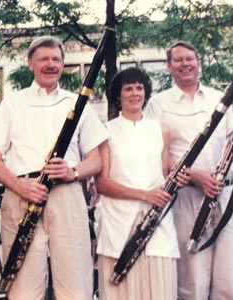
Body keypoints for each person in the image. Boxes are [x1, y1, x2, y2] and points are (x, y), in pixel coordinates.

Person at [0, 36, 108, 300]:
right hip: (21, 195)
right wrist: (20, 186)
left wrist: (72, 171)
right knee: (24, 289)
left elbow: (96, 160)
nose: (50, 64)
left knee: (75, 284)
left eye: (56, 59)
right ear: (30, 64)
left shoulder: (78, 103)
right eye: (43, 59)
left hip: (66, 196)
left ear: (63, 64)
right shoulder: (13, 102)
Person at [145, 41, 233, 300]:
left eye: (190, 59)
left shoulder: (221, 97)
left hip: (225, 197)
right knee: (193, 284)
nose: (185, 64)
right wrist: (195, 175)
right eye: (179, 60)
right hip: (188, 198)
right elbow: (155, 154)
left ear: (199, 63)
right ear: (169, 66)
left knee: (228, 285)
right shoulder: (158, 104)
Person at [94, 67, 189, 300]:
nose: (135, 93)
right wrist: (144, 194)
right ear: (119, 95)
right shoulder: (105, 131)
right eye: (128, 88)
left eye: (139, 88)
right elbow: (102, 184)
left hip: (156, 221)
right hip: (118, 221)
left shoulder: (161, 130)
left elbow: (165, 175)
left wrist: (179, 180)